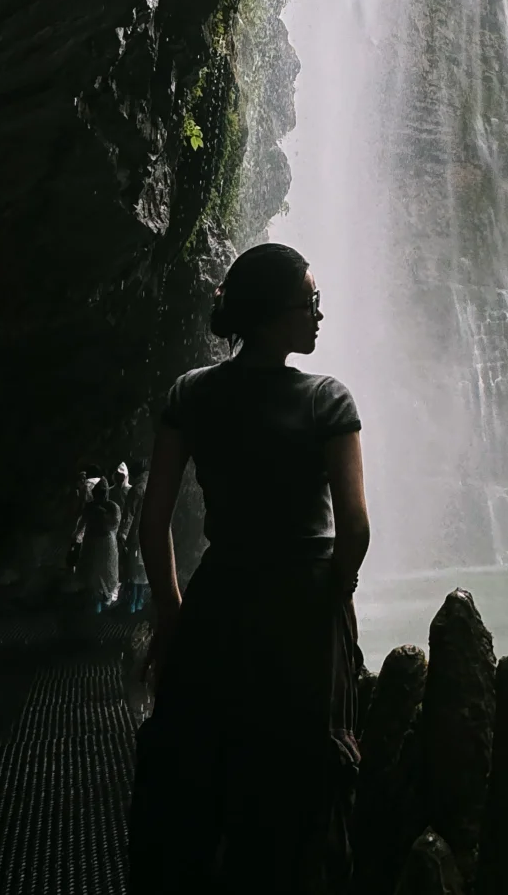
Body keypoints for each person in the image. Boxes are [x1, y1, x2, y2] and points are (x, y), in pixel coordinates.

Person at [128, 243, 370, 895]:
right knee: (305, 778)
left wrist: (172, 612)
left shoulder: (190, 394)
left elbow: (151, 523)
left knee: (205, 767)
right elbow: (356, 526)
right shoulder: (328, 401)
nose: (319, 315)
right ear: (269, 317)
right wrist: (337, 597)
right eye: (307, 304)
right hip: (306, 602)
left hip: (221, 596)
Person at [77, 477, 122, 613]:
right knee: (101, 577)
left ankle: (95, 609)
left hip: (97, 544)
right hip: (106, 545)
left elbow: (82, 524)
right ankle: (98, 608)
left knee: (95, 577)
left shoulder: (94, 507)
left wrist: (77, 535)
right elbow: (115, 524)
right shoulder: (112, 507)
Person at [121, 462, 150, 614]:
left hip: (137, 534)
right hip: (152, 533)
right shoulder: (154, 486)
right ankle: (139, 601)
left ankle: (132, 604)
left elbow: (129, 514)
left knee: (134, 569)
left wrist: (123, 534)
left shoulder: (137, 488)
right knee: (144, 569)